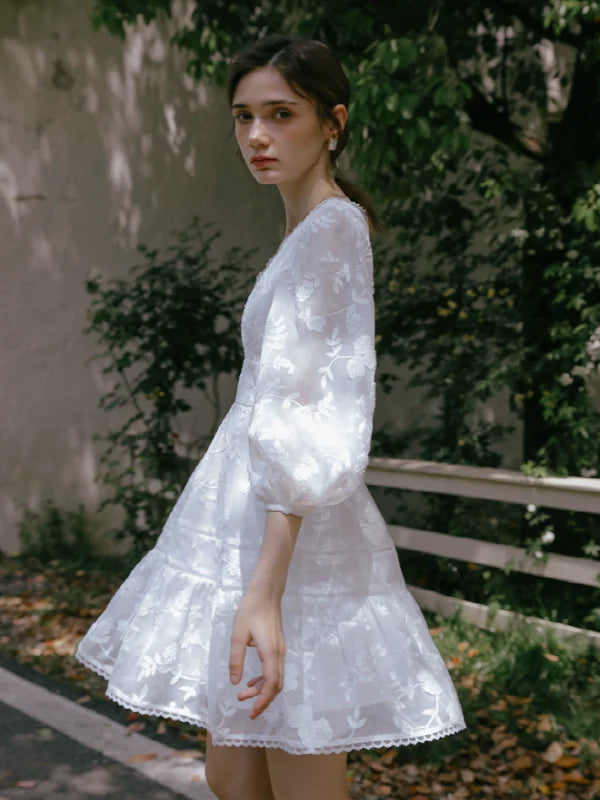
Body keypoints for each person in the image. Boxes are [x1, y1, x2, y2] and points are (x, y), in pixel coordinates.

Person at [75, 33, 466, 800]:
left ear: (333, 122)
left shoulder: (331, 230)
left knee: (294, 770)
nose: (256, 135)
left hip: (285, 537)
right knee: (234, 774)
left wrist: (265, 589)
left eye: (281, 113)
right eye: (244, 116)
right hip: (241, 522)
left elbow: (311, 410)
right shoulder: (305, 230)